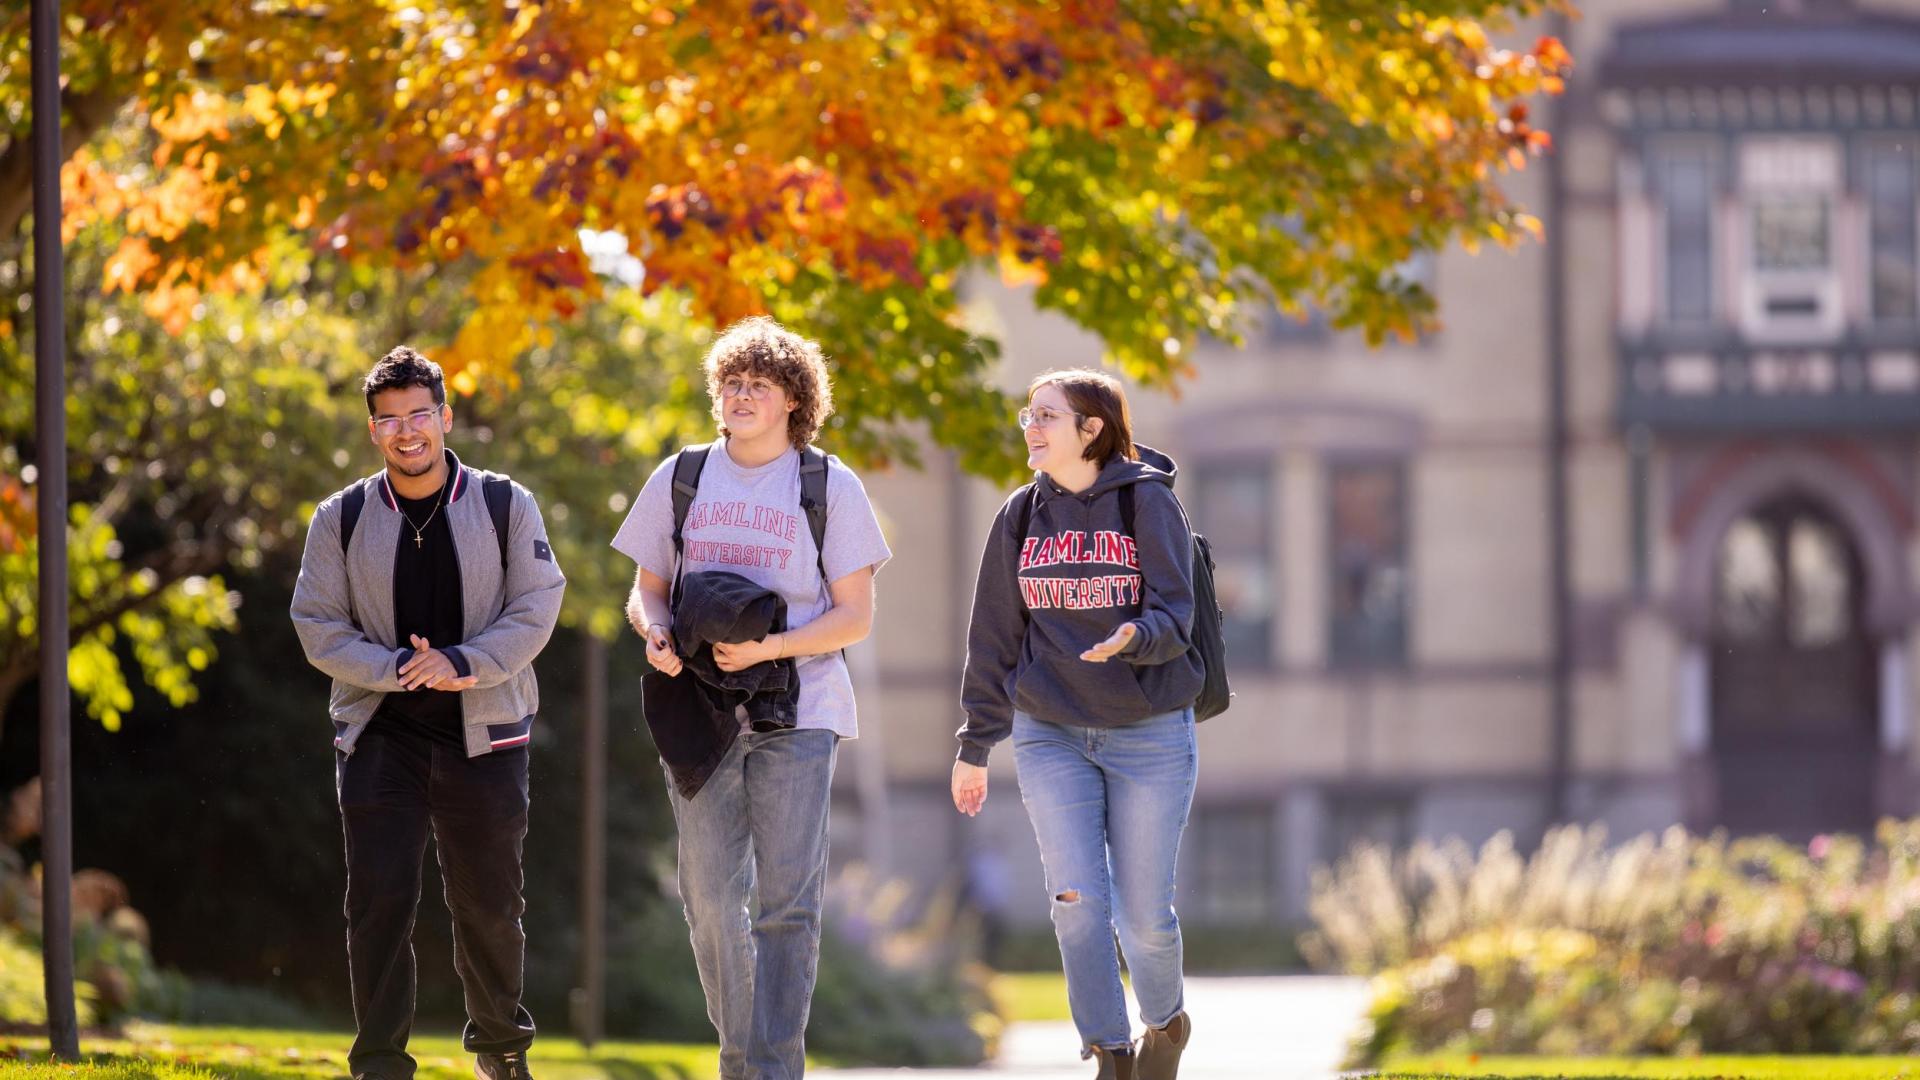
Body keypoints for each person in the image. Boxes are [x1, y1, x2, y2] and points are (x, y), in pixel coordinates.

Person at [611, 316, 891, 1080]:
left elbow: (855, 616)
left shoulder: (827, 485)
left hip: (800, 711)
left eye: (757, 387)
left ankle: (768, 1070)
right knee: (706, 900)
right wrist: (656, 633)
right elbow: (648, 589)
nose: (739, 397)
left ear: (794, 401)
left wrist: (770, 646)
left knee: (785, 907)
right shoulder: (683, 476)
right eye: (730, 383)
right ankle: (741, 1059)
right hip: (700, 711)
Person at [291, 346, 565, 1080]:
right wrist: (400, 671)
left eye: (420, 415)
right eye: (389, 420)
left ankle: (502, 1049)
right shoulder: (340, 518)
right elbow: (316, 623)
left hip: (487, 733)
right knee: (379, 902)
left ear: (445, 417)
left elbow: (538, 604)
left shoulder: (507, 504)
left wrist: (461, 663)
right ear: (373, 430)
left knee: (489, 908)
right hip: (381, 733)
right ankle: (380, 1062)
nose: (407, 432)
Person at [952, 369, 1204, 1080]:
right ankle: (1111, 1051)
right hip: (1051, 729)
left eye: (1046, 417)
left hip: (1148, 730)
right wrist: (975, 746)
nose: (1030, 429)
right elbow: (994, 639)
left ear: (1091, 430)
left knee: (1144, 917)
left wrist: (1134, 637)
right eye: (1027, 416)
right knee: (1076, 904)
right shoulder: (1020, 516)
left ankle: (1165, 1021)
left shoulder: (1147, 503)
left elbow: (1176, 614)